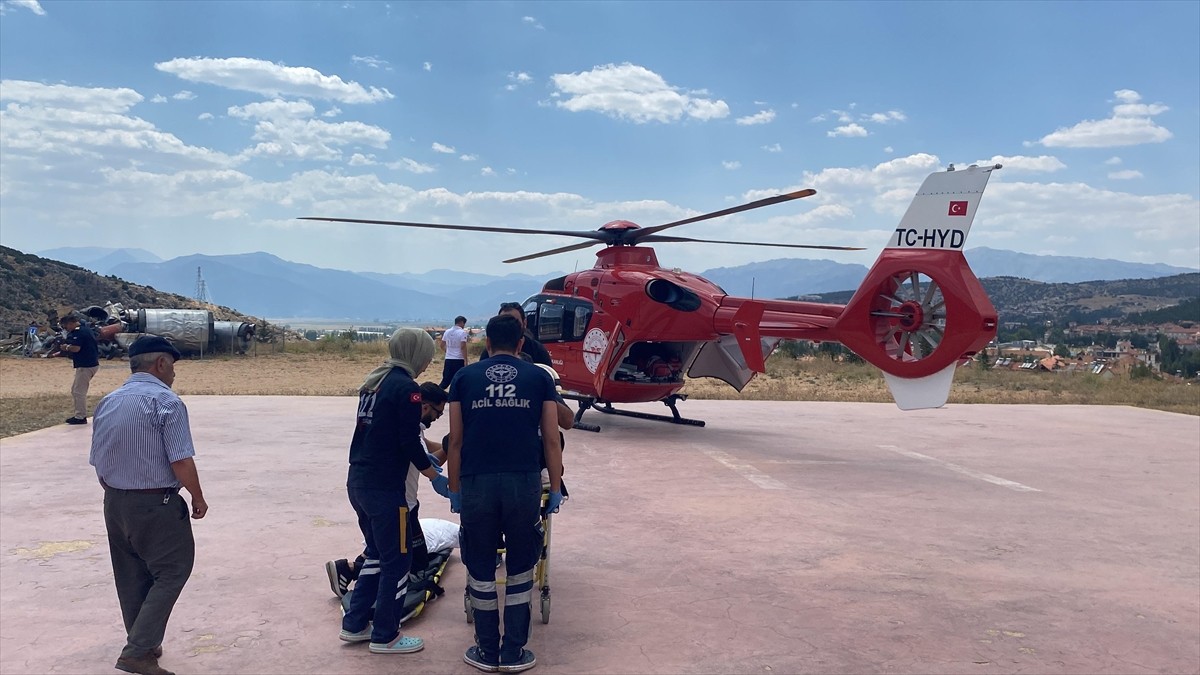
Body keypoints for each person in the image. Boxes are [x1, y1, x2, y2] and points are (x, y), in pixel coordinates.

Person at [448, 313, 564, 673]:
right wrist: (555, 488)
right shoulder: (537, 378)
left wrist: (454, 490)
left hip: (477, 483)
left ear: (485, 343)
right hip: (523, 483)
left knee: (481, 568)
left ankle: (486, 650)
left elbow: (455, 442)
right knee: (520, 567)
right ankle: (513, 652)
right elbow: (550, 439)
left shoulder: (463, 379)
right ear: (520, 342)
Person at [89, 335, 207, 675]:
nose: (174, 375)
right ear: (161, 364)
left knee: (131, 575)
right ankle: (137, 651)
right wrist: (197, 497)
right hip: (157, 502)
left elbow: (99, 459)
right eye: (172, 367)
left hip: (115, 501)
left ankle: (144, 639)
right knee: (172, 571)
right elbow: (181, 460)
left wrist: (117, 494)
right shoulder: (166, 401)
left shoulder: (109, 402)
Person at [341, 328, 451, 655]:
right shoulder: (408, 389)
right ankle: (386, 635)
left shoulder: (373, 383)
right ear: (415, 353)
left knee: (376, 554)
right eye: (428, 354)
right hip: (388, 490)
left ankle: (355, 623)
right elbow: (407, 442)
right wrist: (435, 476)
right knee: (398, 563)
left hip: (359, 482)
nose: (429, 361)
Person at [325, 382, 448, 598]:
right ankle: (353, 573)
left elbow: (429, 448)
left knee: (381, 546)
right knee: (406, 561)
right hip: (401, 504)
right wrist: (444, 462)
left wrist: (451, 445)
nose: (438, 417)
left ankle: (348, 569)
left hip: (381, 495)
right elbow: (423, 458)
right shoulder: (410, 435)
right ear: (425, 407)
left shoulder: (410, 429)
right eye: (438, 412)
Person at [478, 302, 552, 366]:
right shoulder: (487, 352)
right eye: (503, 321)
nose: (509, 325)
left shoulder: (537, 350)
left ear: (524, 323)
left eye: (514, 321)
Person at [60, 313, 100, 424]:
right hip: (90, 364)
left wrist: (66, 347)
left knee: (78, 391)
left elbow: (76, 348)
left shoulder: (79, 333)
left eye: (66, 326)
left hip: (85, 365)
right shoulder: (85, 330)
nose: (66, 329)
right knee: (76, 390)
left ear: (70, 323)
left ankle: (80, 416)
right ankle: (79, 414)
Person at [439, 316, 470, 389]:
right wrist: (465, 360)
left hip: (448, 359)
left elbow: (442, 345)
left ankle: (436, 394)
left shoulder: (447, 331)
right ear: (462, 322)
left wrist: (448, 351)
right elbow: (463, 347)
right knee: (458, 380)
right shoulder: (462, 333)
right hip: (459, 359)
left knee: (445, 381)